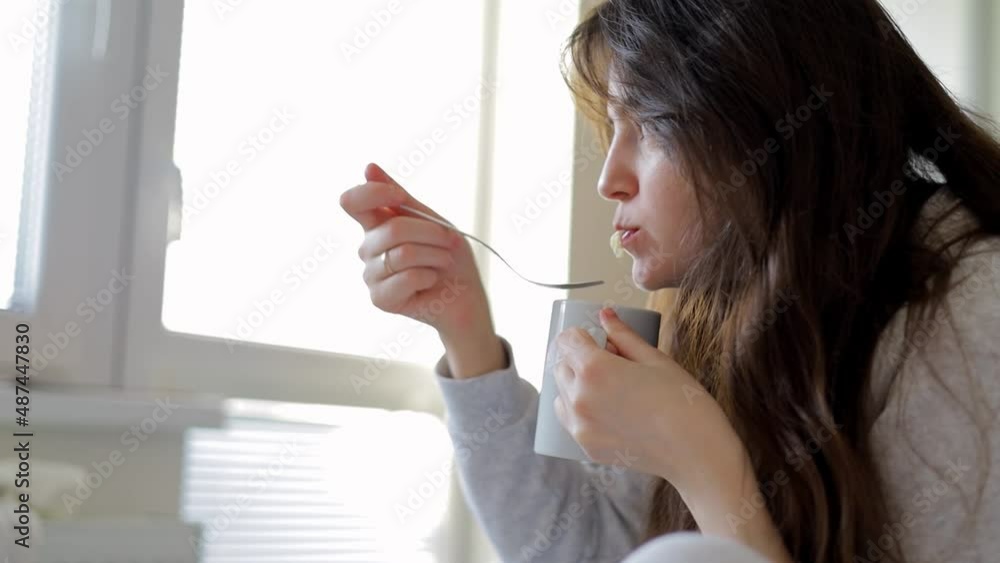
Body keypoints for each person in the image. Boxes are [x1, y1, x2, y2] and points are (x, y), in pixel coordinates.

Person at [340, 0, 1000, 561]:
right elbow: (588, 547)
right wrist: (464, 326)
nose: (609, 180)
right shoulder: (716, 311)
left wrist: (700, 460)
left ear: (767, 118)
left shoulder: (972, 307)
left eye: (651, 123)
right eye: (612, 129)